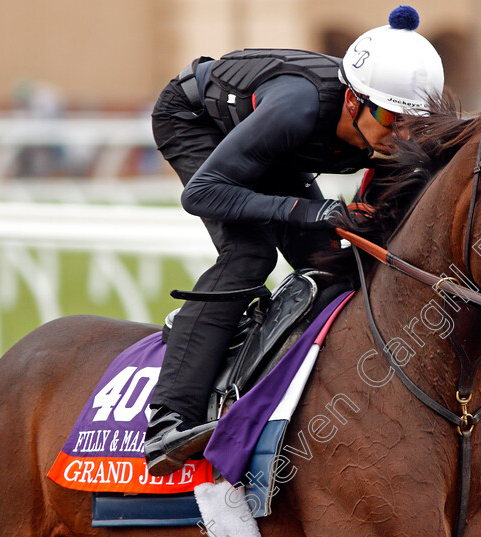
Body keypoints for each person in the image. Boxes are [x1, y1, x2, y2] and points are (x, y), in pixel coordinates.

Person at [144, 5, 444, 476]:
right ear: (353, 101)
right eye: (390, 117)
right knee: (250, 253)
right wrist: (307, 211)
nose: (402, 135)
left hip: (271, 144)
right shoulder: (298, 109)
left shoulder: (391, 131)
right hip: (196, 120)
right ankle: (169, 417)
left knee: (329, 264)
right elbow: (201, 194)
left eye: (416, 122)